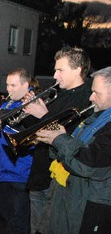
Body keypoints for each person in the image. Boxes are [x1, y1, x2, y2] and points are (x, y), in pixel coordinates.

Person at [23, 47, 92, 233]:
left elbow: (69, 135)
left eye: (60, 70)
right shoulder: (58, 94)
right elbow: (35, 128)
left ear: (77, 69)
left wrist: (43, 113)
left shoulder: (87, 99)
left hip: (58, 180)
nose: (55, 75)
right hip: (39, 173)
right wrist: (28, 110)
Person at [36, 67, 111, 234]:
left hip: (91, 208)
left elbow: (90, 164)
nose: (91, 98)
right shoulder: (93, 119)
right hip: (69, 201)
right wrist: (55, 141)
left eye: (96, 93)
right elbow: (75, 150)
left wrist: (60, 139)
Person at [0, 67, 34, 234]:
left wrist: (2, 117)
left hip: (19, 171)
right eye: (7, 85)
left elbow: (28, 138)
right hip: (1, 169)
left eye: (13, 85)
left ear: (26, 85)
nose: (8, 89)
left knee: (18, 222)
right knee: (7, 217)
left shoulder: (33, 104)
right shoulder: (8, 103)